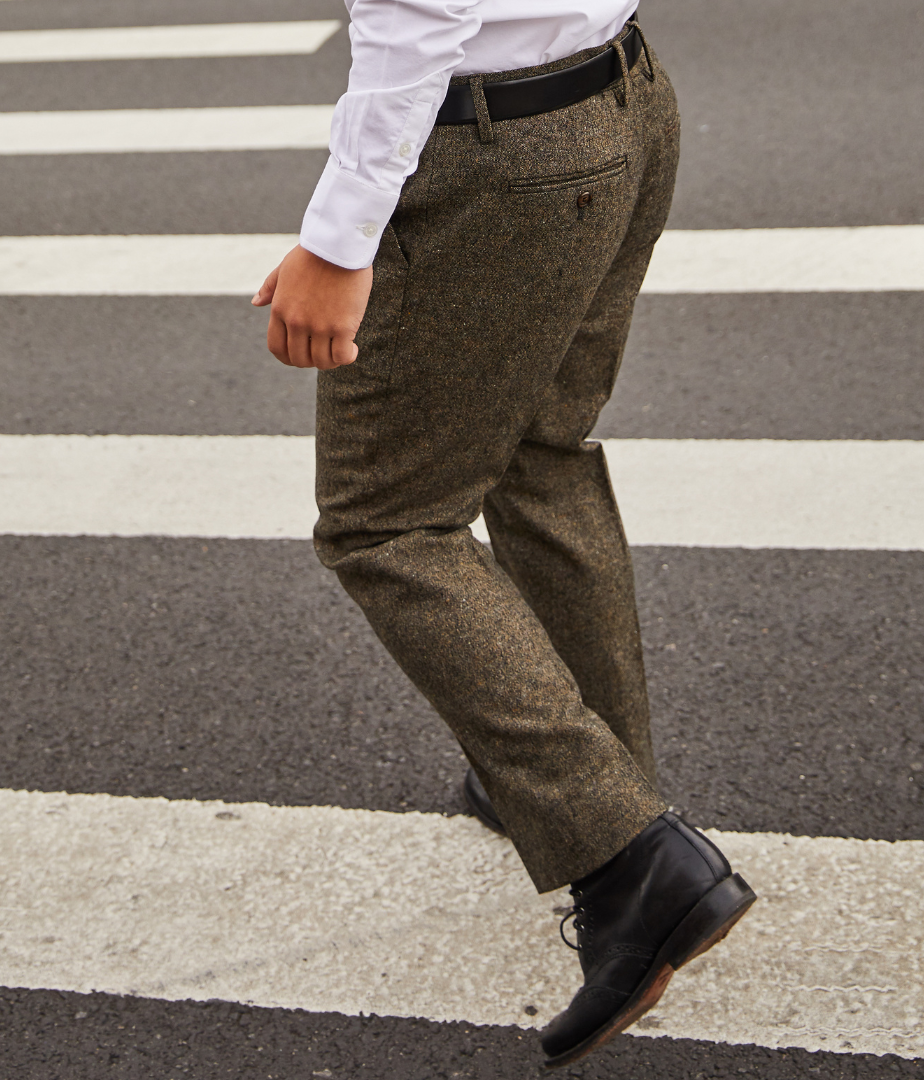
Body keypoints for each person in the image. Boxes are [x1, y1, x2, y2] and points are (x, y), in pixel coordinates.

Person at [252, 0, 755, 1066]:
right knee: (539, 453)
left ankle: (627, 857)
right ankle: (607, 793)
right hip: (621, 97)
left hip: (501, 152)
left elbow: (418, 12)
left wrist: (339, 237)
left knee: (388, 524)